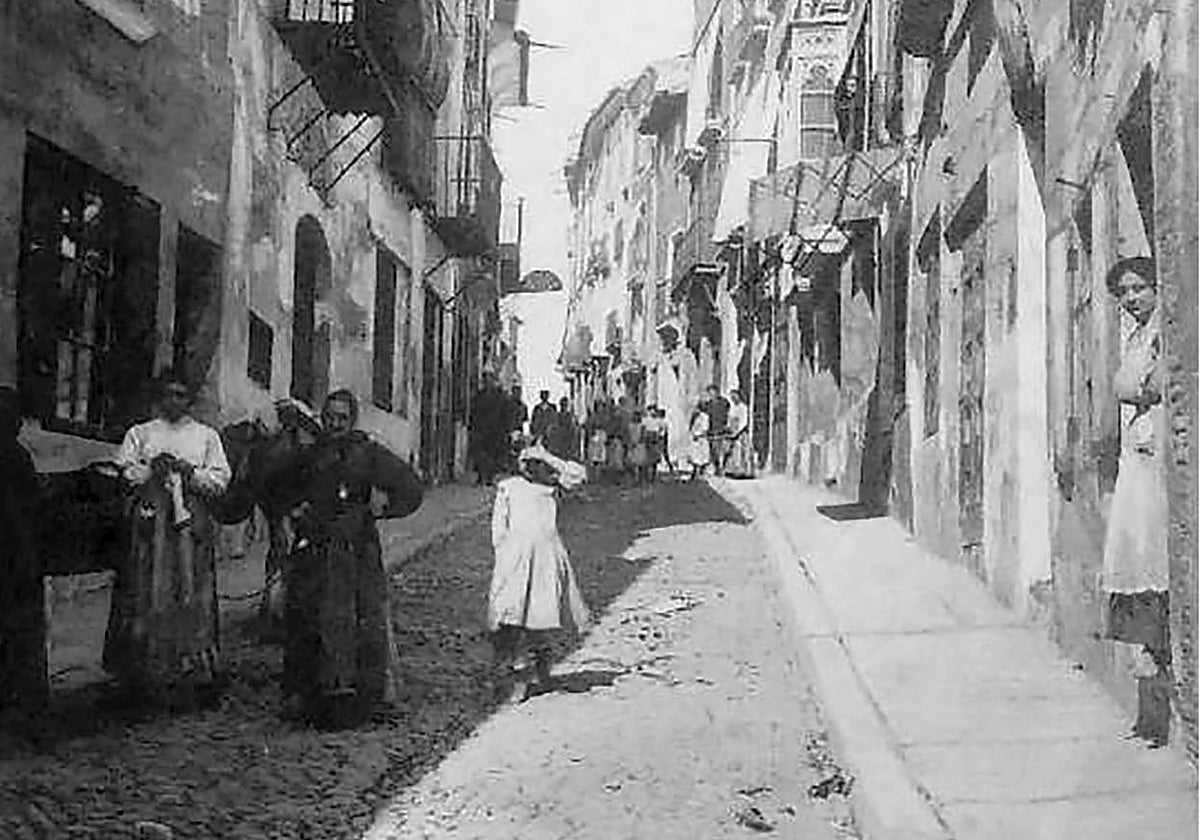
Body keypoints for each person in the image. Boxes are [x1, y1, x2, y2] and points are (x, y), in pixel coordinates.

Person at [281, 389, 425, 729]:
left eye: (342, 418)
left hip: (355, 549)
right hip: (314, 547)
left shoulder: (368, 452)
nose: (335, 424)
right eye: (329, 417)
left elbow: (411, 487)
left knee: (361, 616)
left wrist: (385, 509)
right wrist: (294, 509)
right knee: (309, 615)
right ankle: (309, 695)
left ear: (353, 419)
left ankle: (362, 696)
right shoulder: (310, 453)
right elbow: (284, 486)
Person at [105, 371, 232, 709]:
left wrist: (190, 472)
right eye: (168, 394)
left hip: (189, 525)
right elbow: (124, 471)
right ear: (160, 397)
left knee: (191, 589)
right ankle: (144, 675)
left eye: (181, 395)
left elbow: (220, 480)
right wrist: (151, 470)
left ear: (190, 399)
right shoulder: (141, 432)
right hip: (152, 525)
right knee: (149, 589)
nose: (174, 400)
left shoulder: (206, 436)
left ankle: (193, 673)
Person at [1100, 256, 1172, 748]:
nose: (1131, 299)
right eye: (1123, 292)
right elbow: (1130, 386)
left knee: (1155, 556)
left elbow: (1153, 384)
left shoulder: (1165, 331)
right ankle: (1151, 704)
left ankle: (1163, 700)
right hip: (1137, 460)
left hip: (1159, 457)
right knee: (1134, 557)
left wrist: (1140, 386)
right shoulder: (1135, 337)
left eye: (1139, 288)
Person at [489, 444, 589, 702]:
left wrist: (548, 456)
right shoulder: (508, 487)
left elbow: (579, 476)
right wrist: (505, 558)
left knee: (539, 615)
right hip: (514, 559)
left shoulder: (551, 488)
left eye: (536, 464)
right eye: (527, 463)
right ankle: (516, 679)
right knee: (511, 616)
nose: (531, 468)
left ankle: (542, 672)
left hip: (545, 559)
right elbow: (498, 531)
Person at [0, 387, 47, 717]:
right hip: (14, 554)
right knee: (19, 626)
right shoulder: (16, 455)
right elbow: (33, 504)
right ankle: (20, 701)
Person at [470, 377, 506, 485]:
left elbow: (504, 414)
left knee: (493, 455)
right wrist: (473, 426)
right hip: (481, 429)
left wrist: (503, 429)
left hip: (495, 431)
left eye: (489, 381)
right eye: (485, 382)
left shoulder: (499, 397)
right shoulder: (479, 396)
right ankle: (481, 477)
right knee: (480, 455)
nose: (487, 384)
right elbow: (474, 411)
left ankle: (490, 477)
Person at [724, 391, 754, 479]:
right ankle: (733, 471)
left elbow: (744, 421)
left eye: (735, 397)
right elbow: (729, 419)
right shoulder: (732, 408)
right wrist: (729, 428)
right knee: (732, 451)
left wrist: (738, 431)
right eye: (732, 398)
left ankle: (744, 471)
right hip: (733, 430)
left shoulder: (743, 407)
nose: (734, 399)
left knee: (743, 451)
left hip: (741, 432)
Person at [703, 385, 731, 477]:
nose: (710, 395)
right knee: (713, 450)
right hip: (712, 429)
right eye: (709, 393)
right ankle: (717, 467)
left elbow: (728, 413)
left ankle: (721, 468)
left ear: (716, 392)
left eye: (712, 392)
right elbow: (704, 412)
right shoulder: (709, 404)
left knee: (721, 450)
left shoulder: (724, 402)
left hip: (721, 429)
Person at [688, 406, 711, 482]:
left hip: (701, 439)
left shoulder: (704, 417)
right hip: (695, 439)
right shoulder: (694, 417)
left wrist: (698, 434)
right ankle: (694, 473)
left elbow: (705, 429)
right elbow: (691, 428)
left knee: (702, 458)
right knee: (694, 457)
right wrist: (693, 434)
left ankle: (702, 473)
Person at [627, 410, 649, 485]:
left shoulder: (642, 426)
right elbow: (629, 435)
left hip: (640, 445)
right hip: (632, 444)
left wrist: (638, 442)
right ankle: (635, 479)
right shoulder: (630, 425)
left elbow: (644, 435)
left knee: (640, 464)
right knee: (632, 463)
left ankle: (641, 479)